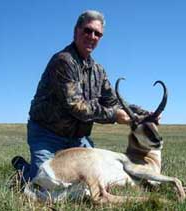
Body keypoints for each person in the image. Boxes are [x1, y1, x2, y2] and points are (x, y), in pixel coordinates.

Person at [11, 10, 150, 186]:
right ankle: (23, 168)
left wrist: (146, 114)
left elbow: (113, 102)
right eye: (87, 30)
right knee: (44, 182)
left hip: (77, 140)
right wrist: (114, 116)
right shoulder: (63, 61)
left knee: (99, 177)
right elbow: (76, 106)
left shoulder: (98, 71)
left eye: (97, 34)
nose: (92, 36)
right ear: (76, 31)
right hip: (47, 135)